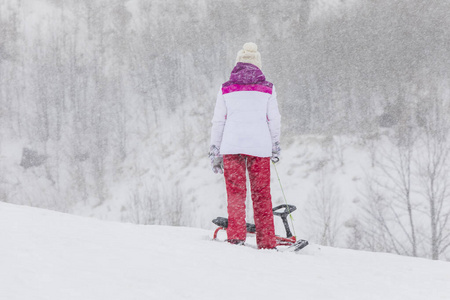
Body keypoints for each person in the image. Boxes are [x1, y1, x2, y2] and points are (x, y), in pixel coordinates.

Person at [209, 42, 281, 249]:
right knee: (261, 195)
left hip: (232, 145)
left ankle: (236, 237)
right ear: (258, 65)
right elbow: (273, 120)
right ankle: (267, 242)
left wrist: (215, 149)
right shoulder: (268, 88)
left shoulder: (226, 88)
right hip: (260, 146)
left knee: (235, 193)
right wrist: (275, 144)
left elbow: (218, 121)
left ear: (237, 64)